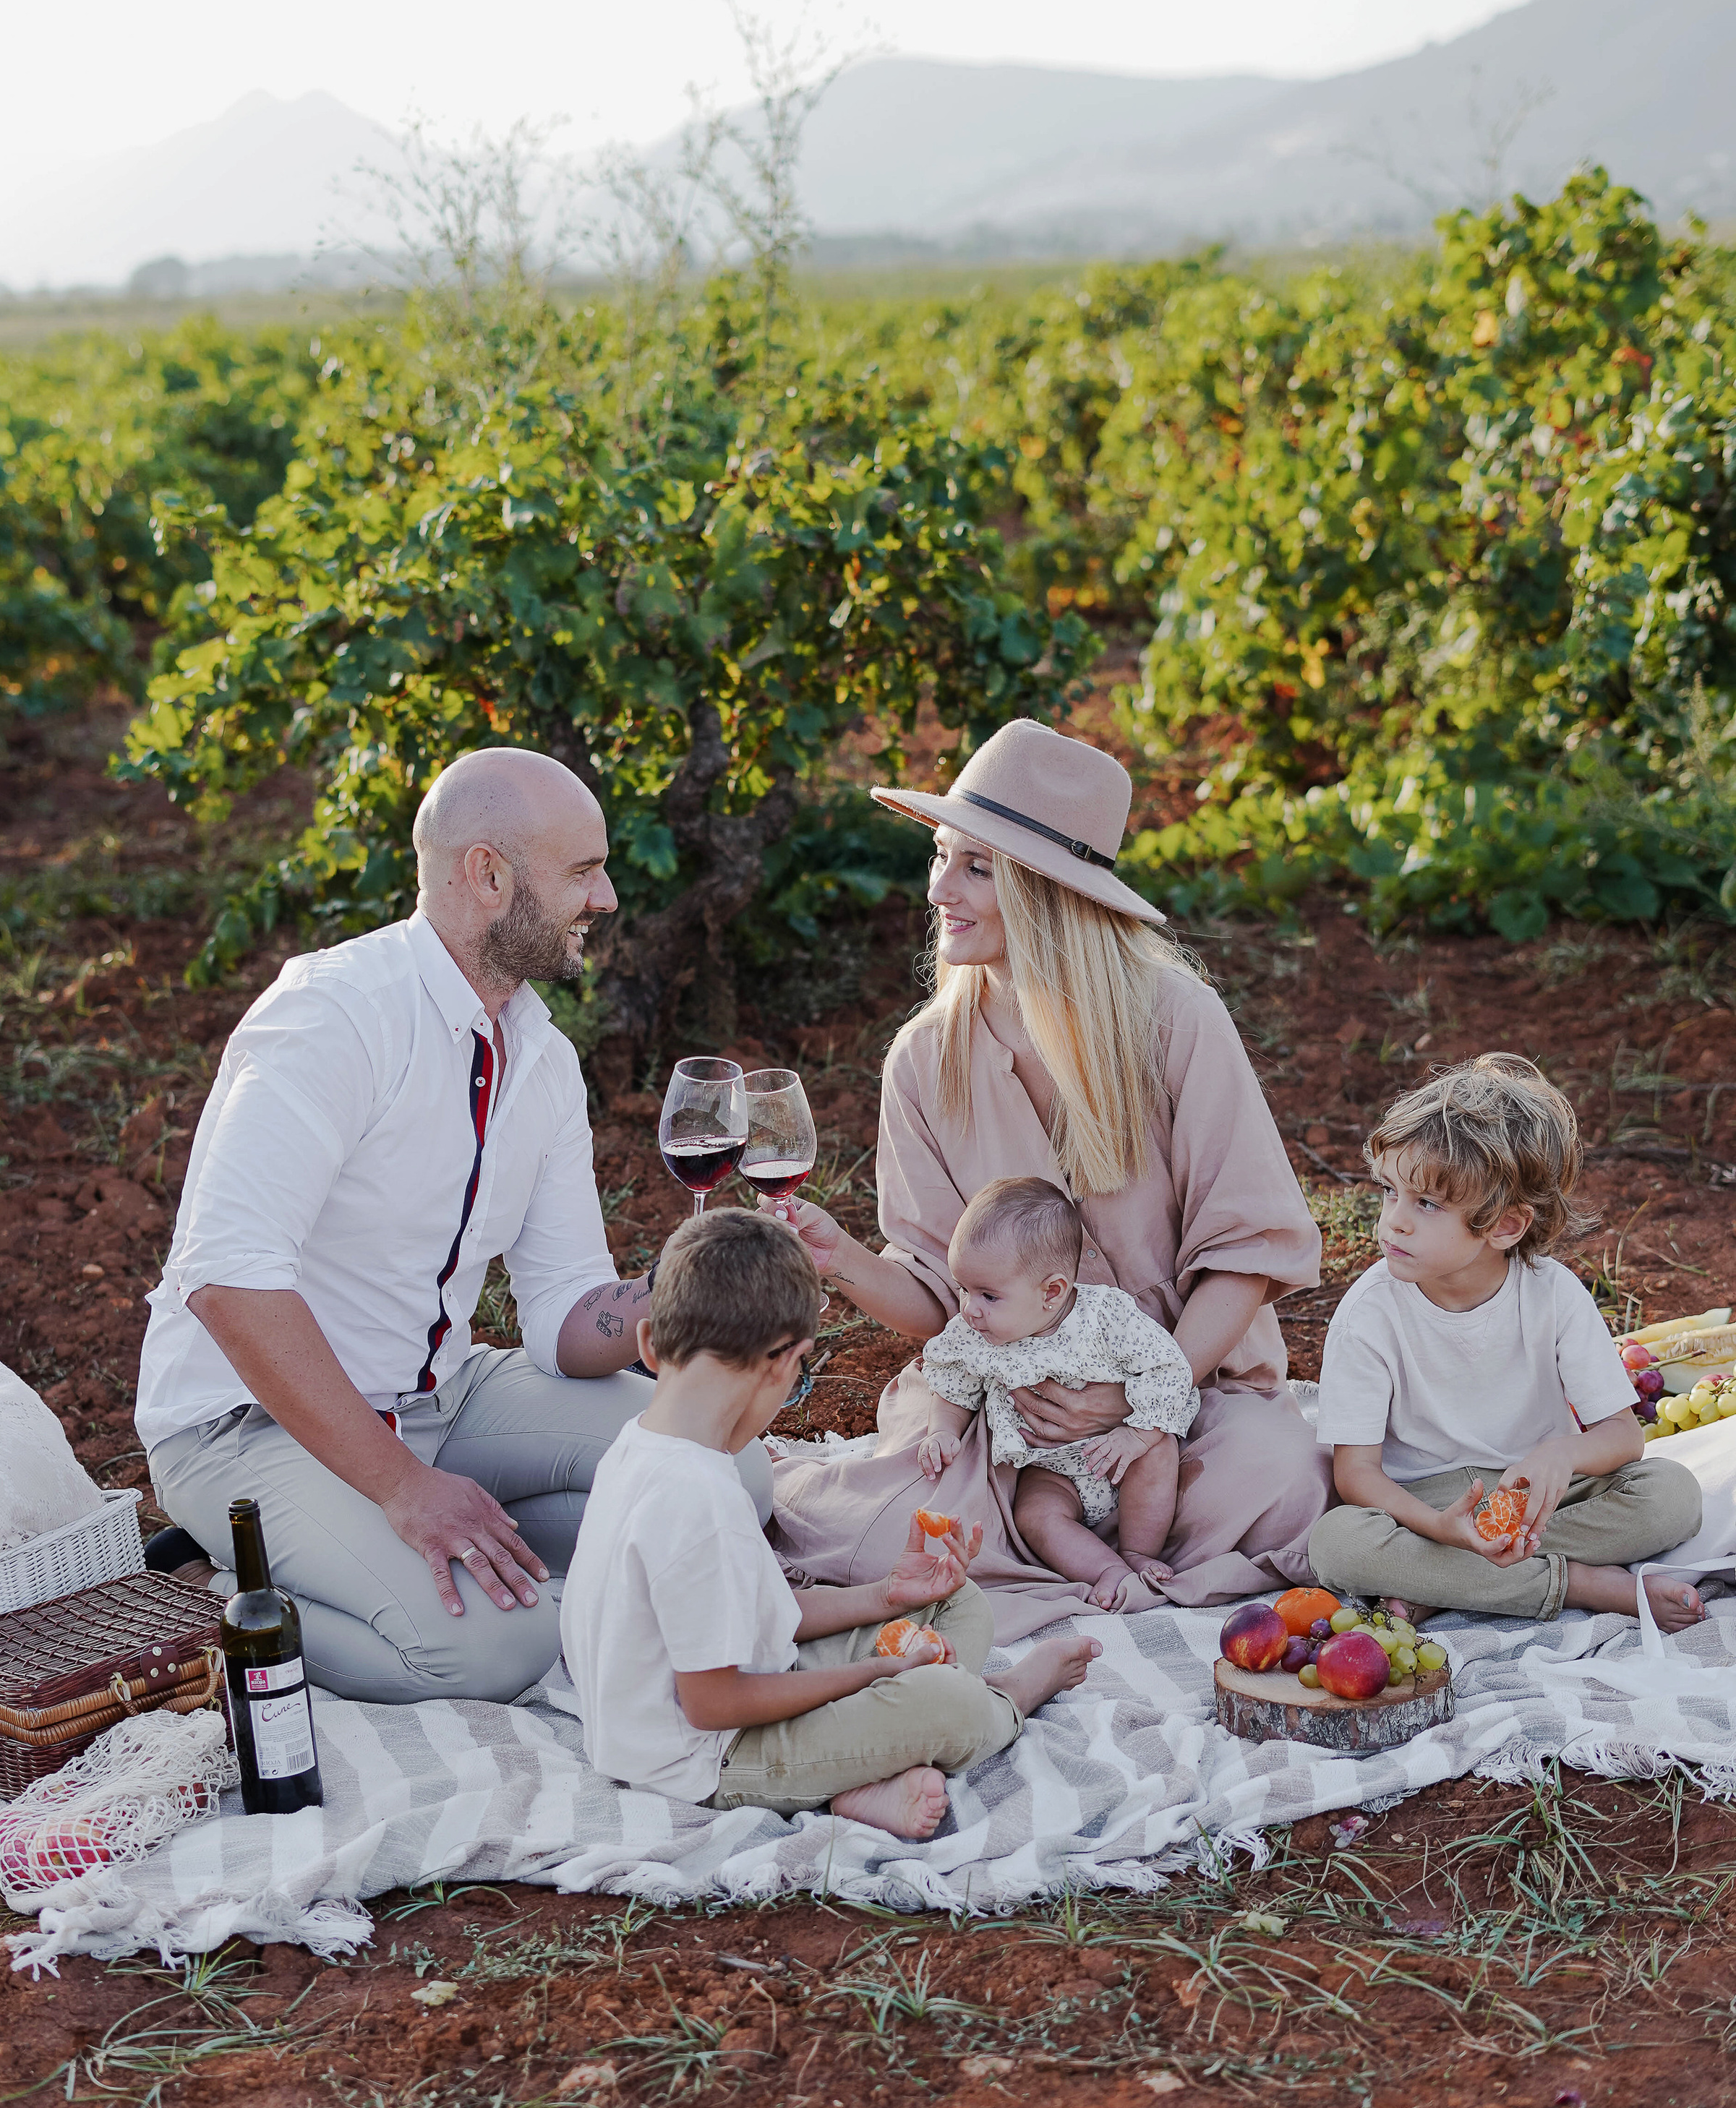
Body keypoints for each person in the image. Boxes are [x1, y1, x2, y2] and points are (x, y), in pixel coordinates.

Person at [137, 745, 770, 1705]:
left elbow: (564, 1315)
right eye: (583, 872)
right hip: (249, 1427)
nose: (604, 899)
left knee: (726, 1466)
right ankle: (218, 1599)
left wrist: (676, 1297)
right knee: (498, 1650)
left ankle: (415, 1561)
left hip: (443, 1394)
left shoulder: (544, 1060)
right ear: (489, 876)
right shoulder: (331, 1018)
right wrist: (402, 1487)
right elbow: (228, 1282)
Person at [764, 718, 1332, 1636]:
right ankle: (1084, 1560)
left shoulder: (1176, 1020)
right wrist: (836, 1258)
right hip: (1005, 1406)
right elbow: (935, 1296)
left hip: (1186, 1389)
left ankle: (1073, 1559)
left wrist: (1141, 1405)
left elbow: (1246, 1253)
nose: (939, 888)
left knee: (1282, 1484)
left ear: (1051, 893)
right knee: (873, 1535)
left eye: (977, 867)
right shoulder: (923, 1058)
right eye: (942, 857)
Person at [560, 1209, 1100, 1841]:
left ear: (649, 1344)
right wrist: (874, 1674)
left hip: (736, 1696)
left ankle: (863, 1778)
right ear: (787, 1365)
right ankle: (1004, 1699)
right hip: (703, 1761)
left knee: (957, 1604)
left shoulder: (646, 1445)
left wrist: (885, 1597)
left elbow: (760, 1612)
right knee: (946, 1704)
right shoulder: (698, 1499)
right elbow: (713, 1706)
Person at [1309, 1054, 1704, 1628]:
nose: (1394, 1221)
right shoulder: (1368, 1313)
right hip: (1428, 1501)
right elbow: (1357, 1476)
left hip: (1540, 1494)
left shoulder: (1554, 1294)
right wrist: (1442, 1528)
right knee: (1337, 1542)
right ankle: (1580, 1585)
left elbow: (1623, 1436)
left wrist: (1559, 1454)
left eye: (1426, 1204)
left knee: (1673, 1495)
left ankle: (1443, 1579)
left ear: (1505, 1226)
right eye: (1389, 1191)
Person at [920, 1177, 1199, 1601]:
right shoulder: (973, 1334)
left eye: (988, 1295)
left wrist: (1137, 1434)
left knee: (1159, 1452)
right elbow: (953, 1385)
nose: (970, 1308)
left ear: (1051, 1292)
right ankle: (1108, 1570)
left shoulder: (1105, 1317)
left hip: (1120, 1451)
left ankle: (1139, 1552)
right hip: (1050, 1466)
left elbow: (1166, 1366)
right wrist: (942, 1430)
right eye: (963, 1289)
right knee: (1035, 1515)